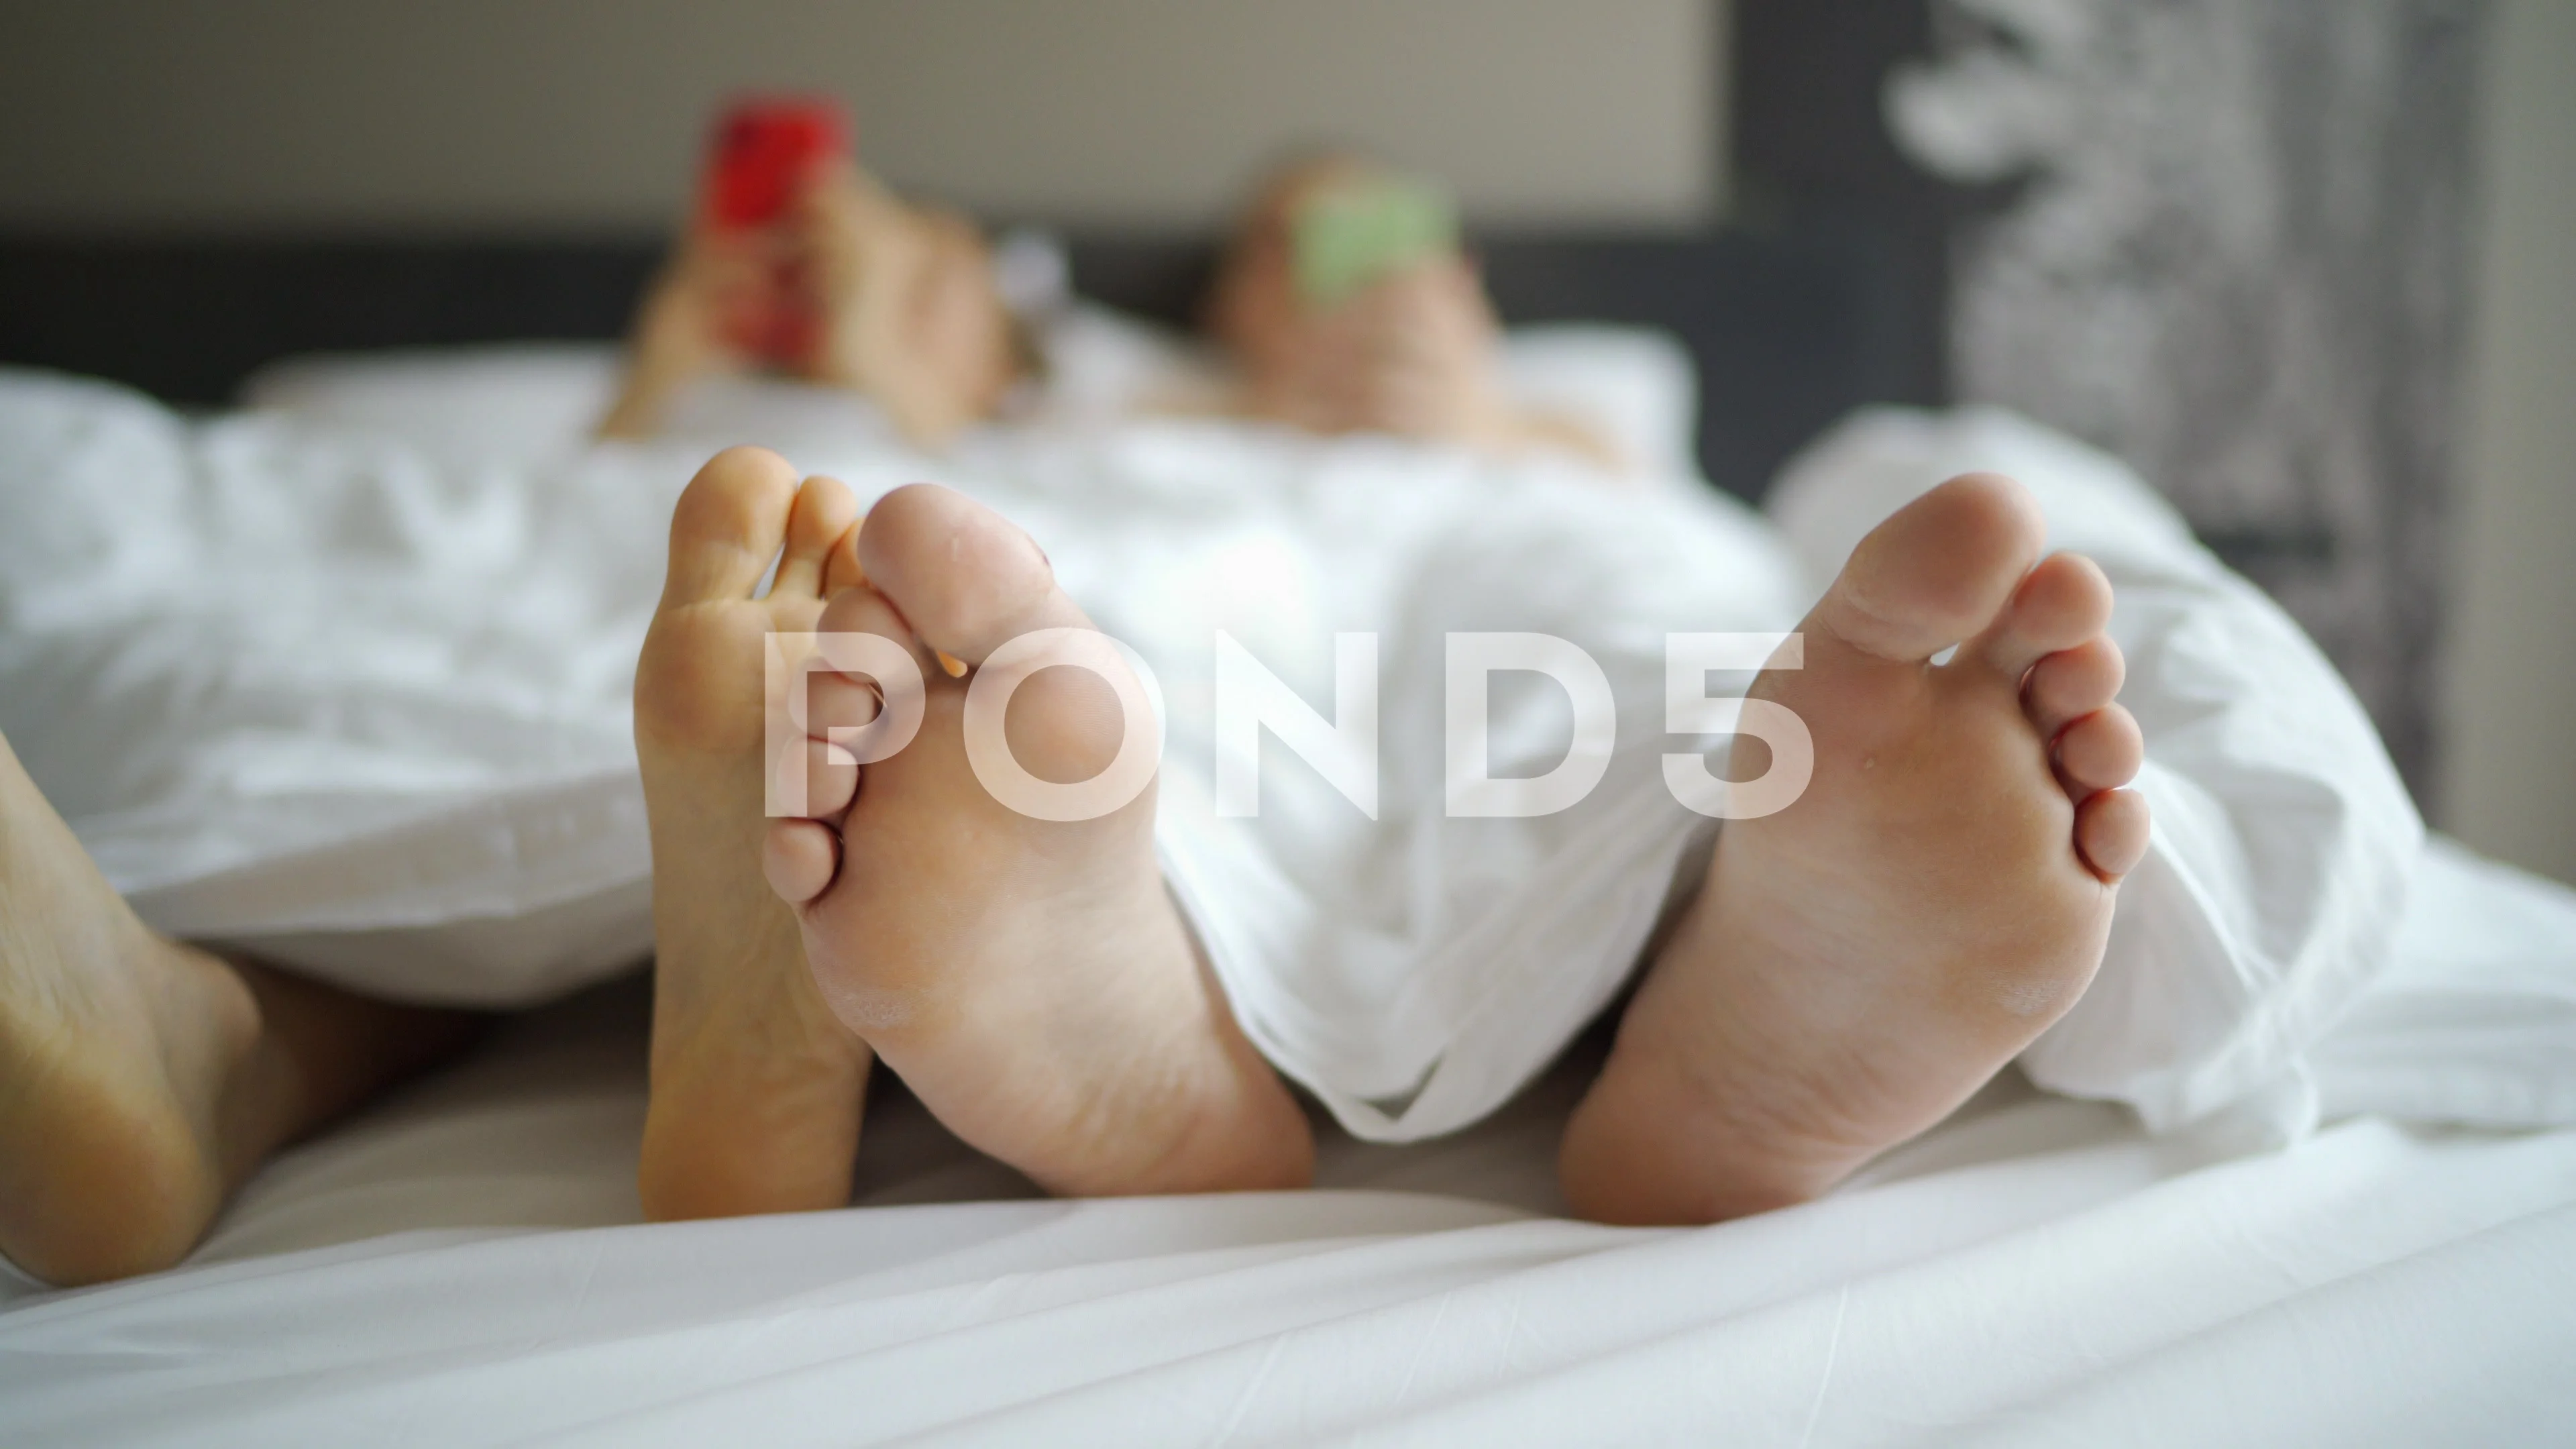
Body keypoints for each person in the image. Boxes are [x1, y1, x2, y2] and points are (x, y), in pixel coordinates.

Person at [0, 146, 2415, 1286]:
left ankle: (1723, 953)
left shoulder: (1490, 430)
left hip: (1345, 550)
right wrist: (723, 374)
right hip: (894, 574)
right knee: (811, 619)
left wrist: (1465, 409)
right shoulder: (768, 419)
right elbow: (613, 494)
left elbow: (1604, 514)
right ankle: (1145, 983)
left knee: (1619, 620)